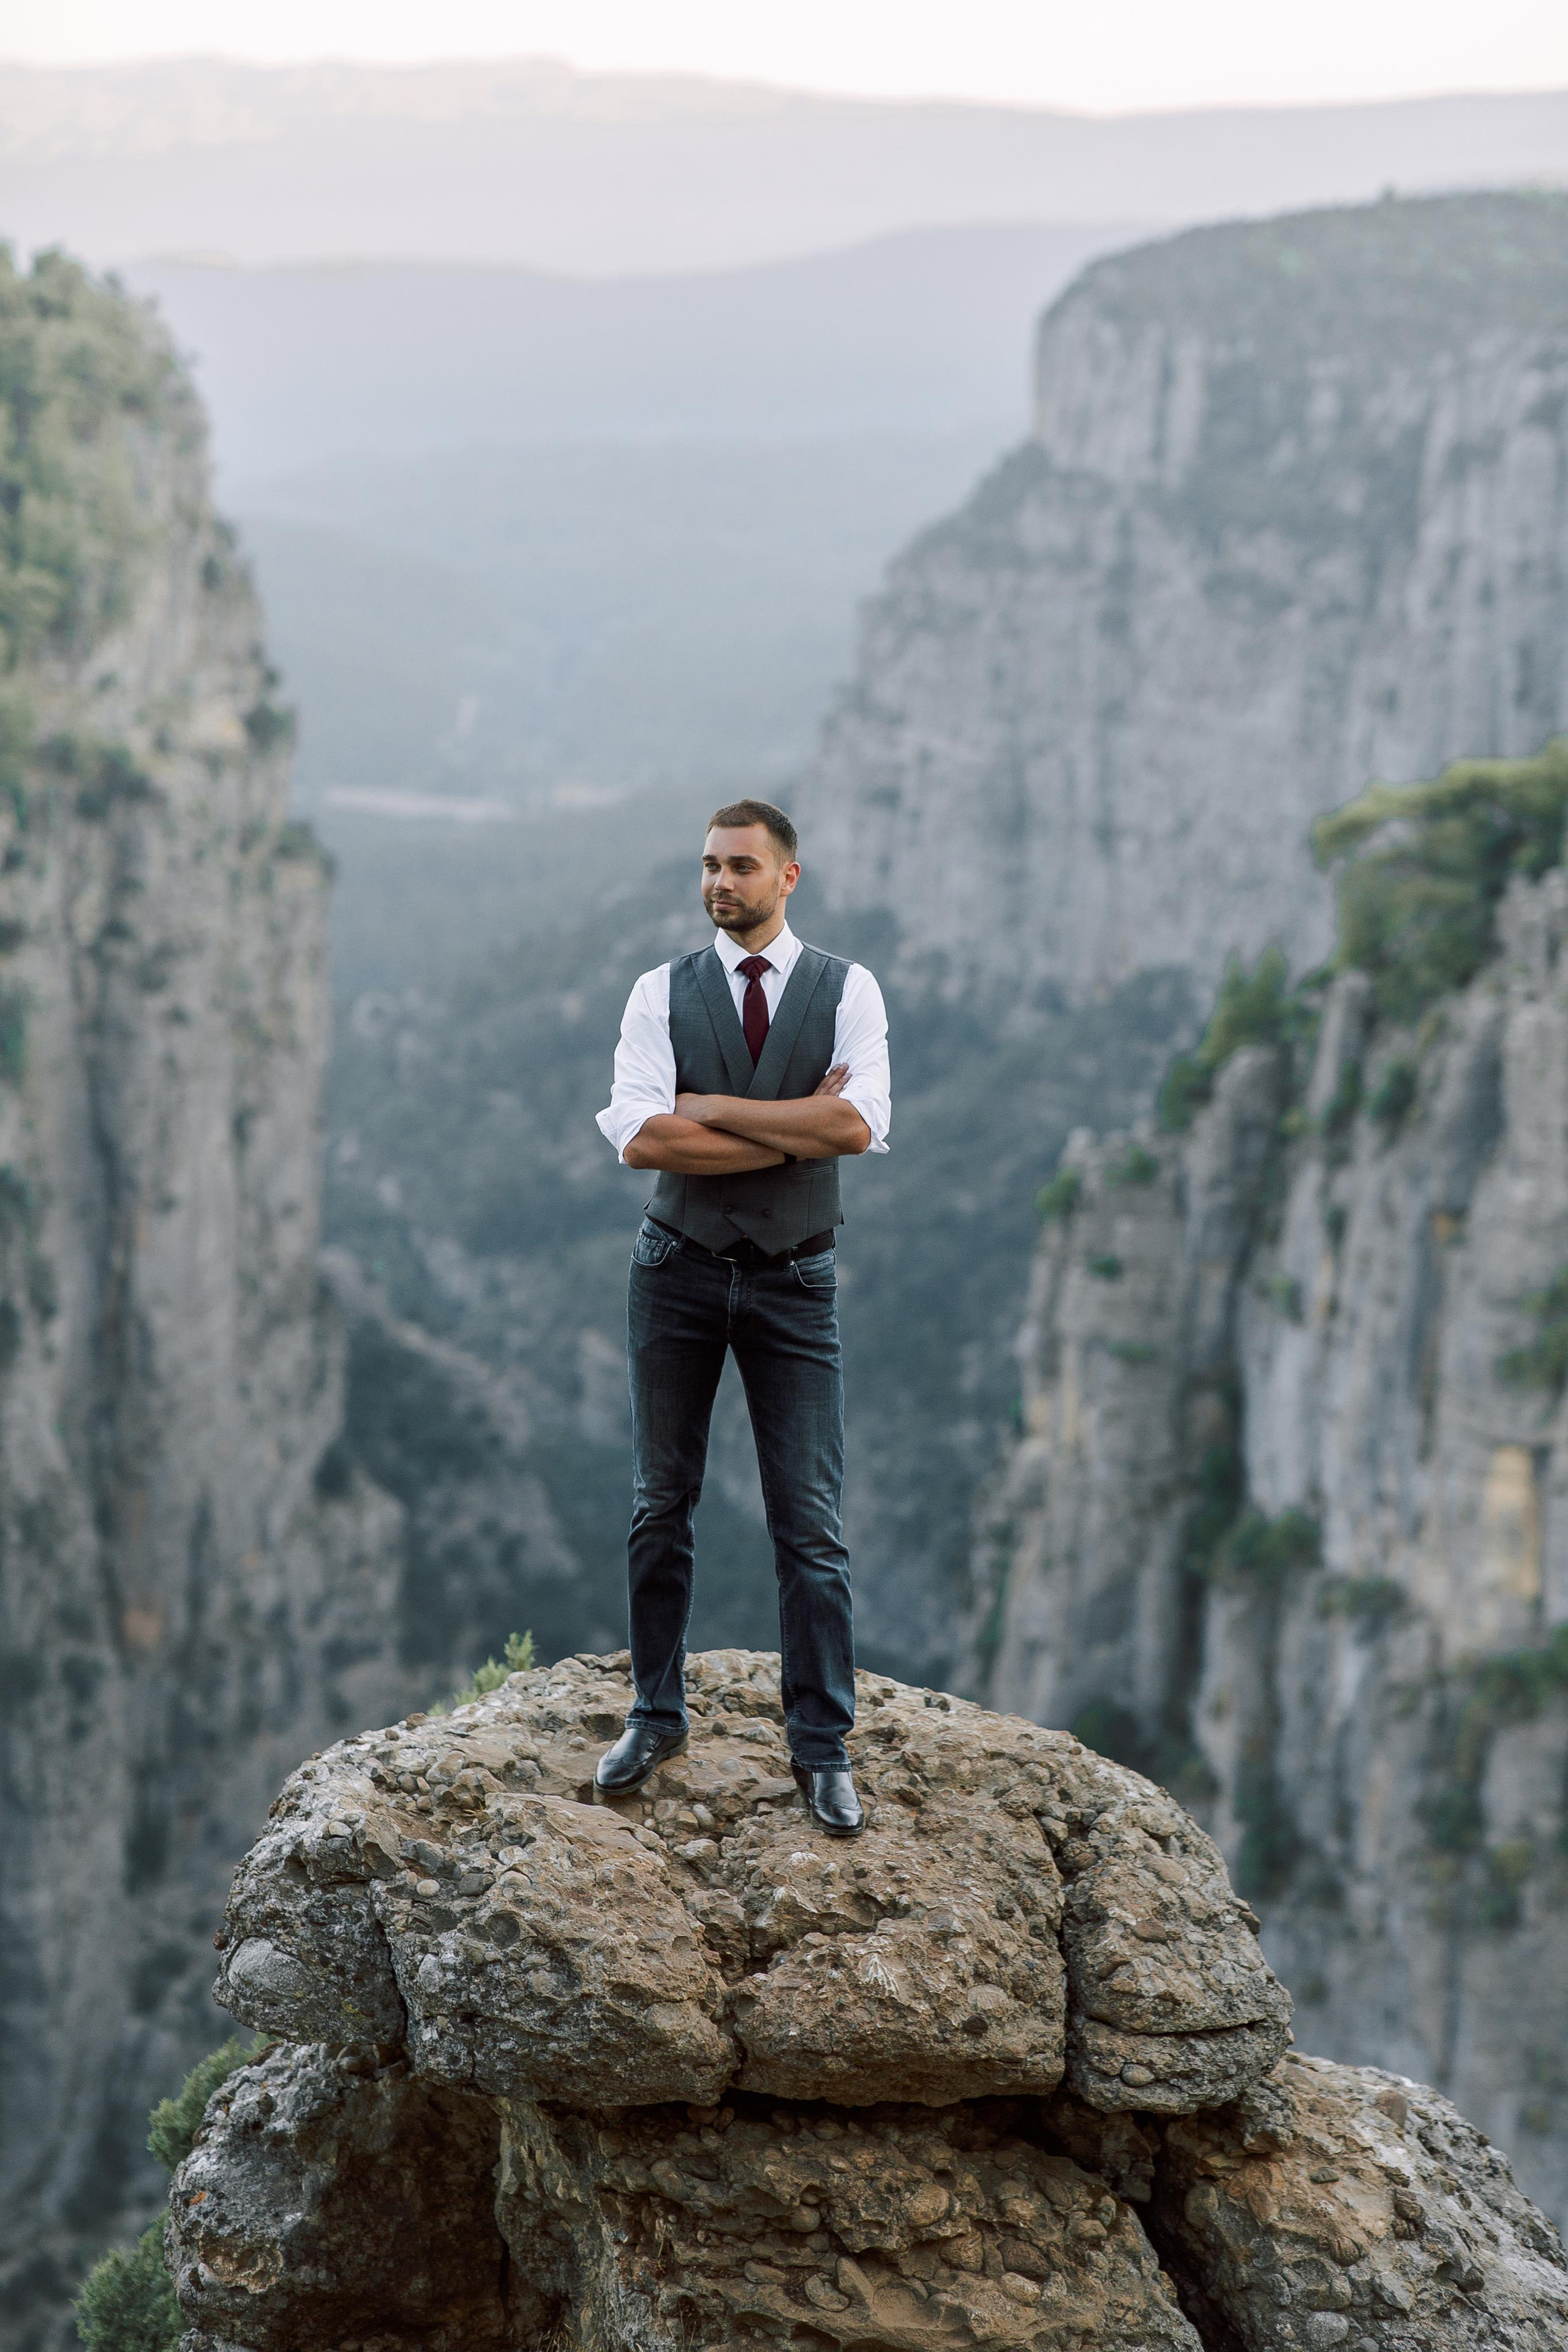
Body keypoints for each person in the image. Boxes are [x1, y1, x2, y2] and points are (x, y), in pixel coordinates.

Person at [593, 798, 891, 1834]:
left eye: (742, 867)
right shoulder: (658, 990)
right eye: (711, 866)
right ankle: (654, 1715)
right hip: (673, 1270)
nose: (721, 883)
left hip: (796, 1281)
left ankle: (822, 1746)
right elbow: (642, 1138)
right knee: (660, 1502)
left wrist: (714, 1108)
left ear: (788, 876)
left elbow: (859, 1123)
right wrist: (795, 1128)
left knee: (810, 1521)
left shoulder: (849, 988)